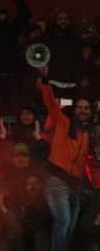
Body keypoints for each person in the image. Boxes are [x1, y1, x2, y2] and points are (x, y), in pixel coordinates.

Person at [40, 77, 92, 250]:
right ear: (74, 109)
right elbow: (50, 103)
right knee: (63, 221)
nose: (82, 110)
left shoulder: (90, 134)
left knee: (69, 226)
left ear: (91, 112)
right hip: (57, 179)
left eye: (86, 108)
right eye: (79, 107)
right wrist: (45, 81)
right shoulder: (64, 122)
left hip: (74, 185)